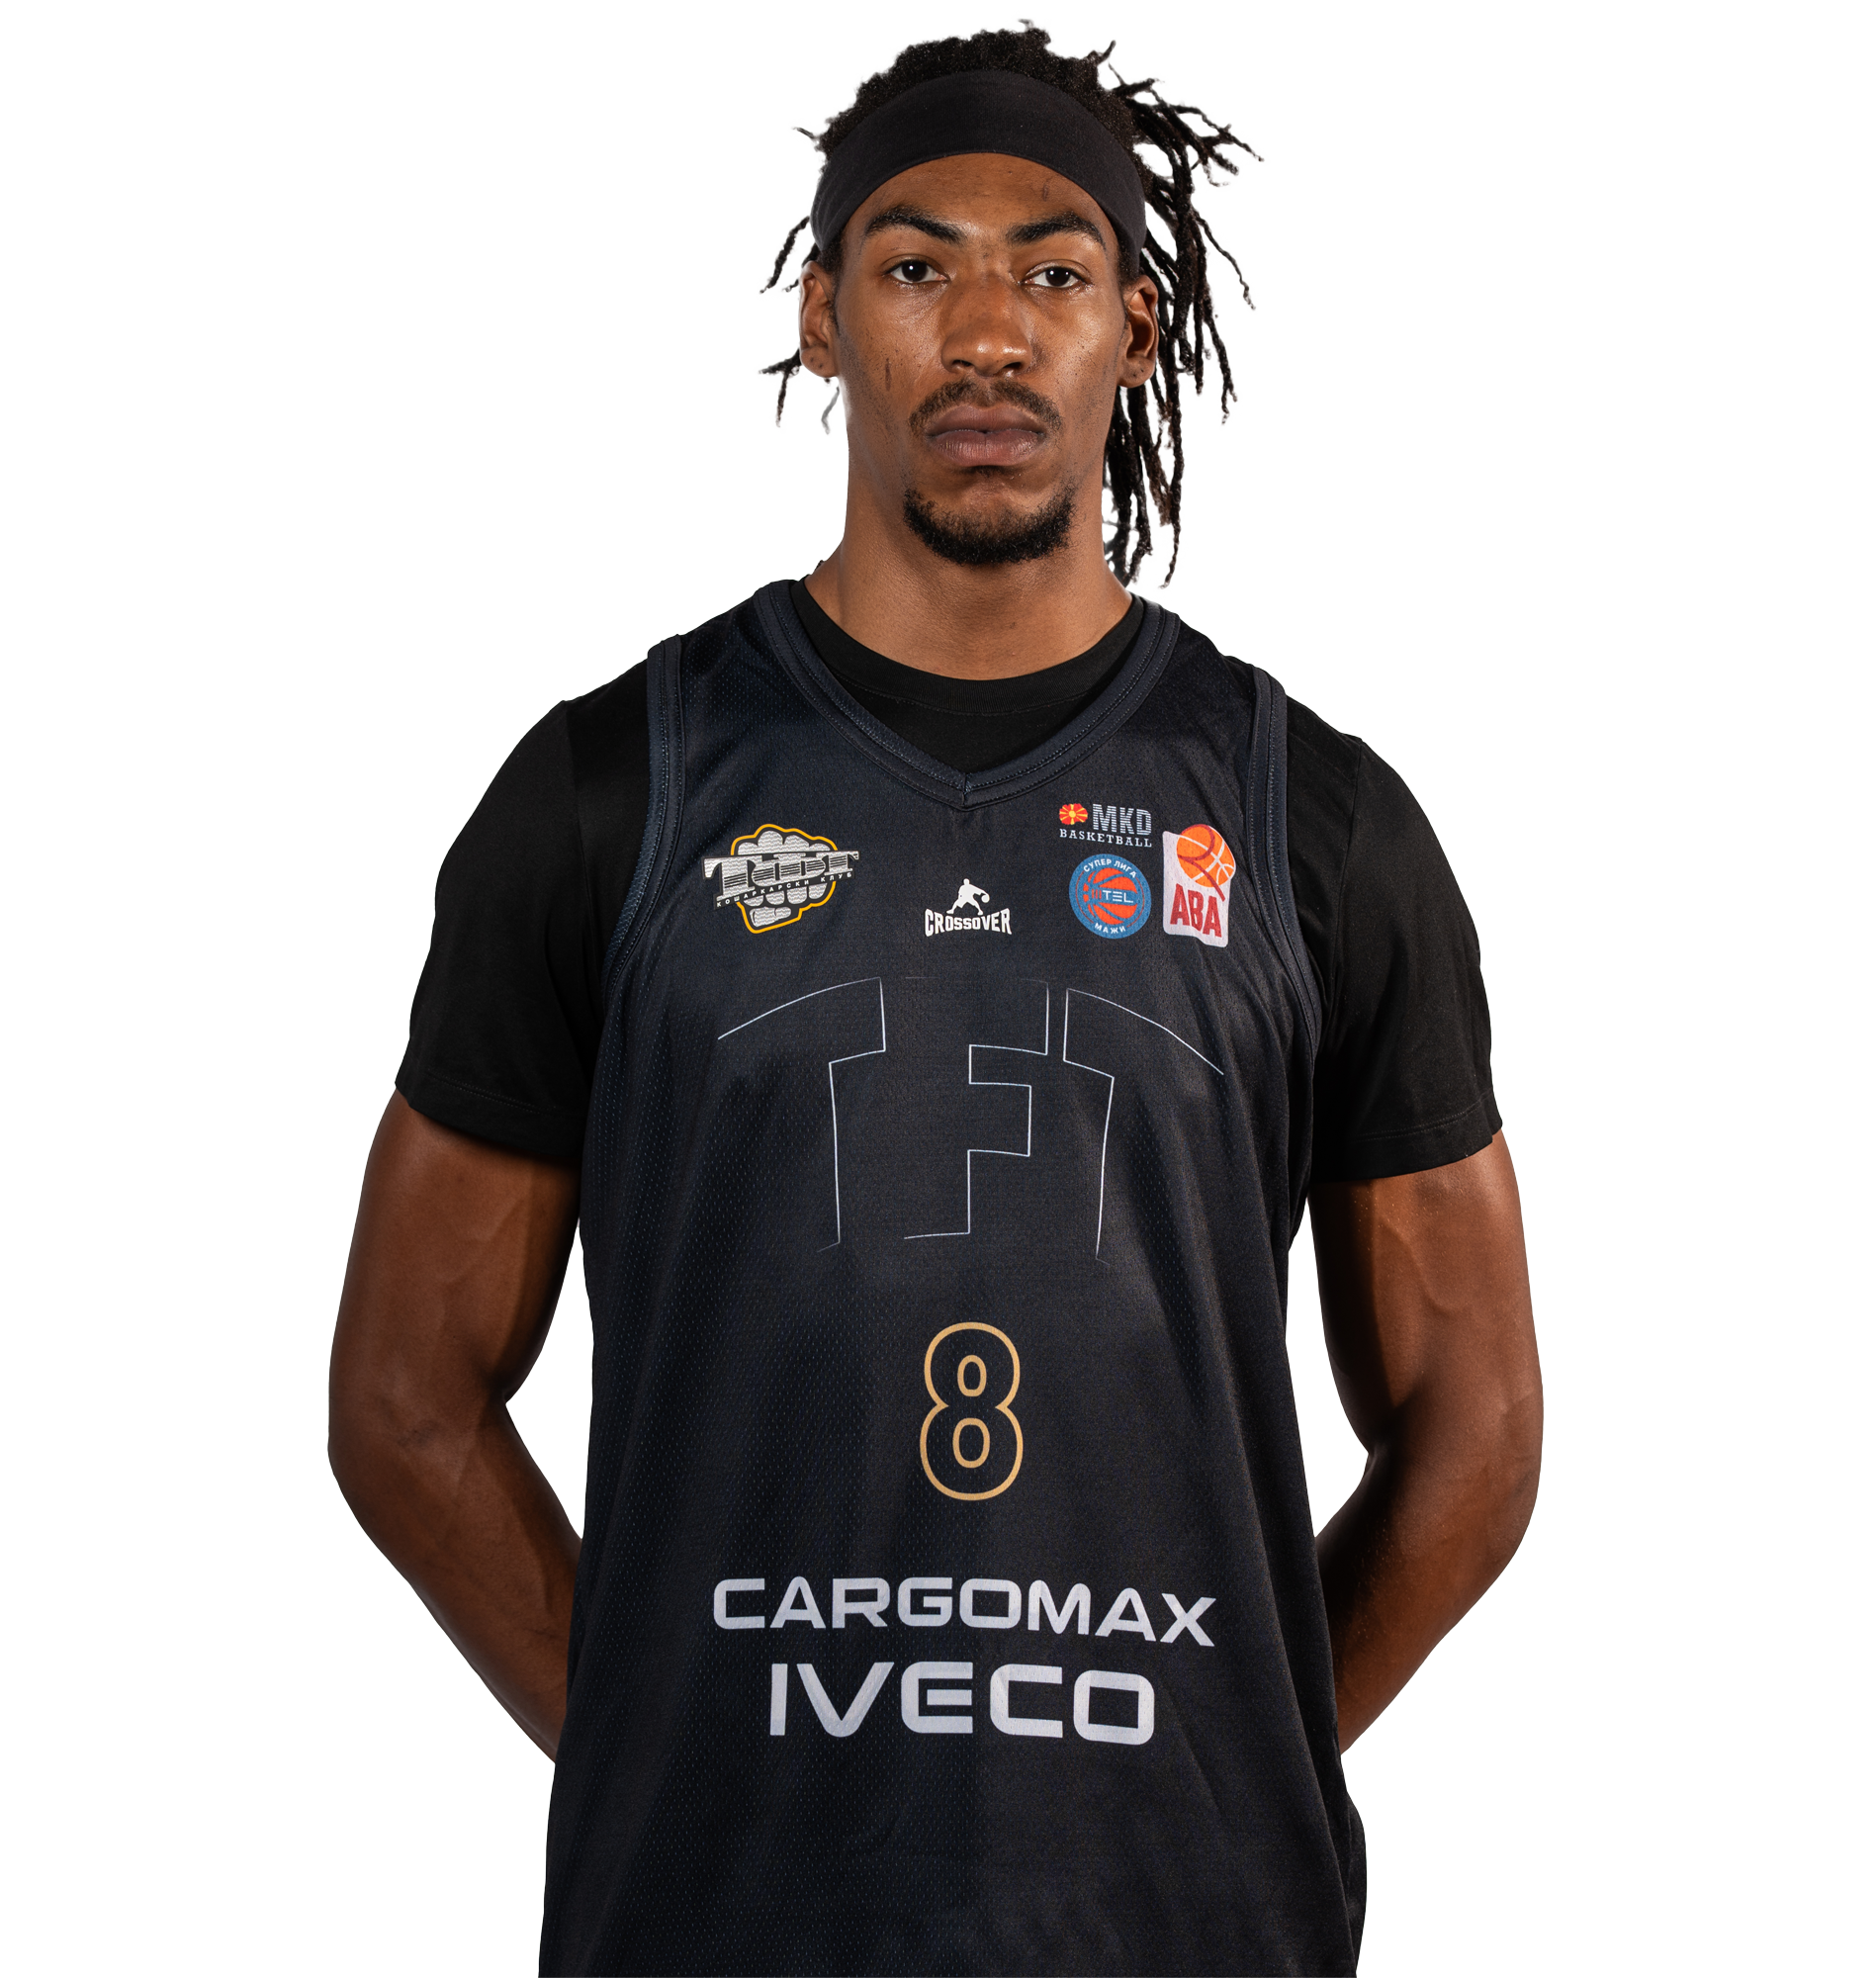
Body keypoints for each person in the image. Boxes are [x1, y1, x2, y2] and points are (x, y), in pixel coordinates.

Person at [330, 24, 1541, 1975]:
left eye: (1053, 271)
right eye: (917, 267)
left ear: (1134, 329)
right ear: (823, 319)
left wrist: (1225, 1755)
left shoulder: (1312, 821)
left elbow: (1474, 1429)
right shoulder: (610, 794)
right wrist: (675, 1750)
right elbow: (402, 1401)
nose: (988, 332)